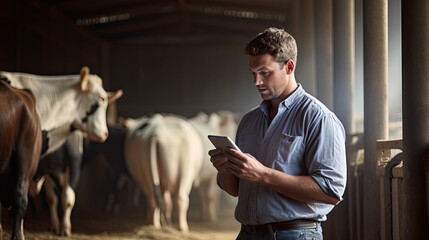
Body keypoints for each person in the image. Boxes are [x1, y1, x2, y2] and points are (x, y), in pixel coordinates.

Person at [208, 27, 347, 240]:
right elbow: (234, 190)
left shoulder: (318, 118)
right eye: (253, 73)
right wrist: (226, 169)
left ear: (289, 66)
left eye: (265, 72)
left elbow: (330, 191)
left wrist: (263, 174)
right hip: (247, 233)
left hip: (295, 234)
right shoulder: (249, 121)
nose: (257, 82)